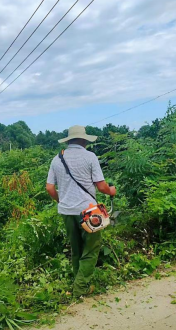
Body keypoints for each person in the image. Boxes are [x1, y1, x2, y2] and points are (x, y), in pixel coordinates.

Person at [46, 125, 116, 298]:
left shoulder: (57, 159)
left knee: (76, 249)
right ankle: (80, 288)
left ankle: (77, 283)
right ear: (84, 140)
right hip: (89, 211)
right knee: (91, 249)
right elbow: (101, 186)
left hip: (67, 212)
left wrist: (61, 201)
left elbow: (49, 188)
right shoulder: (90, 157)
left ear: (69, 141)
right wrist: (111, 191)